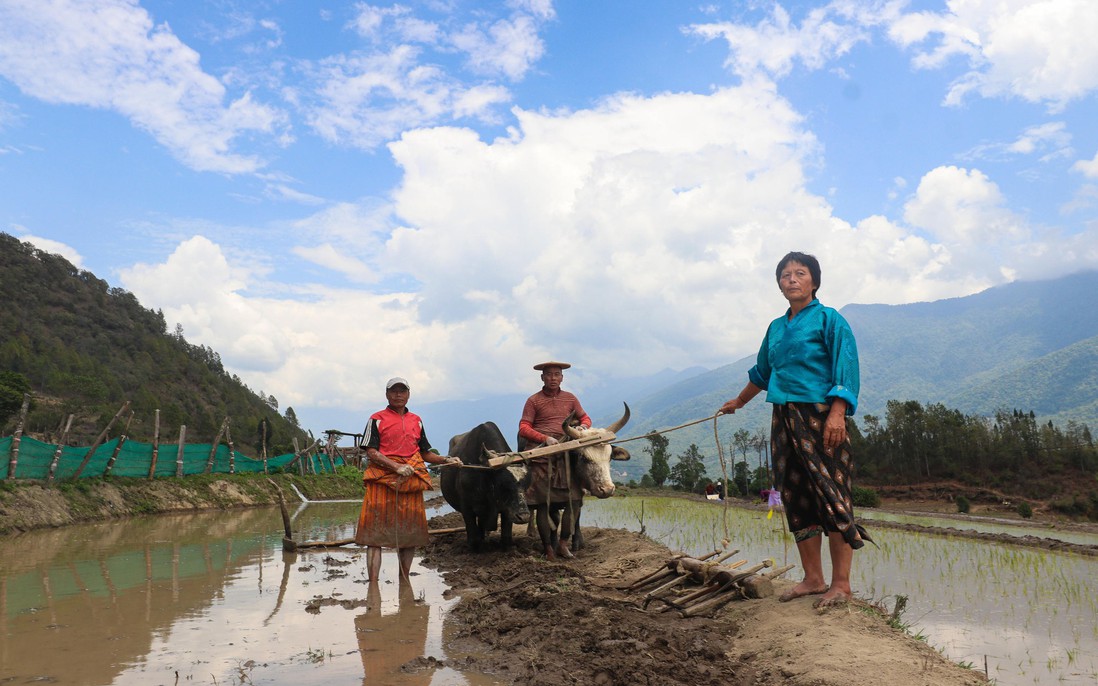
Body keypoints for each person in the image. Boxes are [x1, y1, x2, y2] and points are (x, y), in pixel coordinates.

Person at [718, 251, 869, 609]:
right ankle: (814, 579)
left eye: (800, 273)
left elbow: (845, 370)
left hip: (820, 417)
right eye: (785, 275)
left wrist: (837, 413)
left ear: (814, 282)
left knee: (832, 496)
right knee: (797, 496)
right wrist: (738, 402)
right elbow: (762, 373)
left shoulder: (830, 321)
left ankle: (841, 584)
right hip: (783, 419)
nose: (792, 279)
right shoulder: (775, 327)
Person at [354, 377, 460, 582]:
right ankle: (373, 585)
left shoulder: (417, 420)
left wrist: (447, 459)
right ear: (387, 394)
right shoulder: (376, 419)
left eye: (402, 391)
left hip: (411, 479)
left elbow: (425, 453)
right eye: (394, 391)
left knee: (410, 534)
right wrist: (396, 467)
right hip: (382, 479)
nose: (398, 394)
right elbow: (372, 452)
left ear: (408, 394)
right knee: (374, 536)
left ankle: (405, 580)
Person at [518, 360, 592, 559]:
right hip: (541, 456)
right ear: (542, 377)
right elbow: (523, 428)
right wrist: (545, 438)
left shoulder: (570, 399)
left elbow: (586, 419)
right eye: (549, 374)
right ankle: (548, 549)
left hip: (565, 456)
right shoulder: (533, 400)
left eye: (557, 374)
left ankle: (562, 544)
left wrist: (583, 428)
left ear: (562, 377)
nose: (553, 378)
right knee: (542, 504)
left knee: (574, 500)